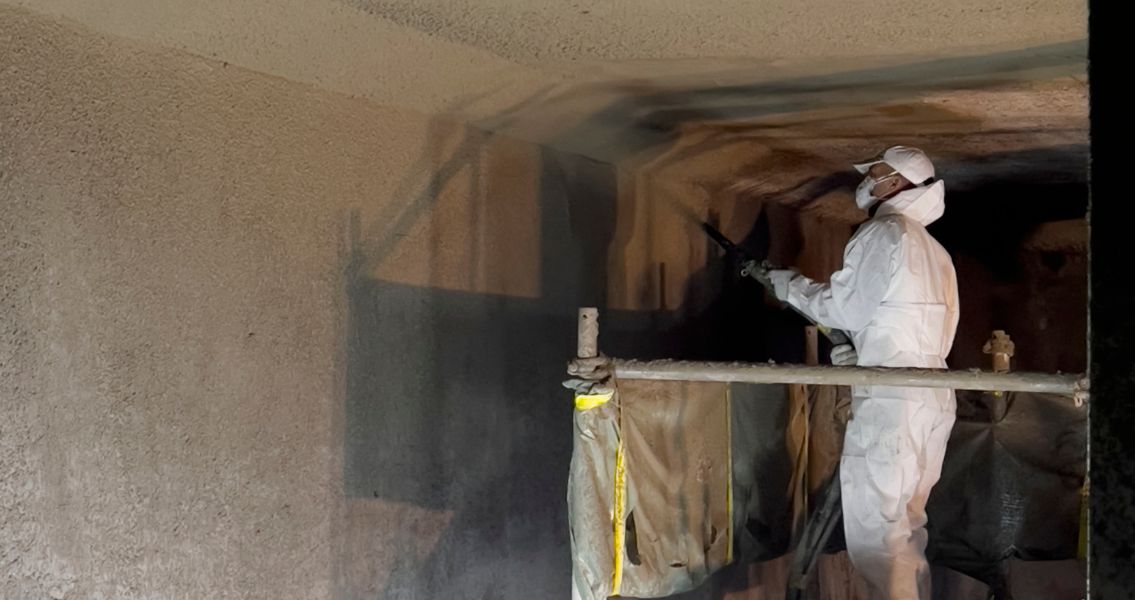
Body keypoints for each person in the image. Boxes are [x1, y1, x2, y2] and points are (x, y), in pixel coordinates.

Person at [762, 146, 960, 599]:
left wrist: (786, 284)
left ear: (897, 183)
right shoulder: (936, 251)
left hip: (892, 397)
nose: (869, 179)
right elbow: (916, 329)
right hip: (931, 393)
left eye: (877, 172)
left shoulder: (884, 231)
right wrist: (863, 359)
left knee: (878, 534)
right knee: (908, 526)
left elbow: (843, 307)